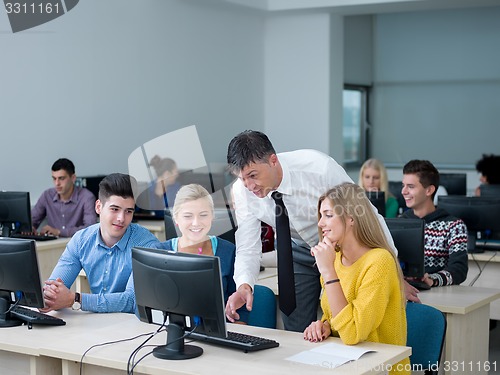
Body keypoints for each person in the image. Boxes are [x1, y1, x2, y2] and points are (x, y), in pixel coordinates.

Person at [224, 130, 398, 332]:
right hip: (296, 251)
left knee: (347, 322)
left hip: (341, 250)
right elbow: (247, 245)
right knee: (297, 328)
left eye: (253, 176)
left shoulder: (318, 168)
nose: (249, 186)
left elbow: (367, 214)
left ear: (273, 161)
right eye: (242, 178)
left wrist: (393, 268)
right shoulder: (242, 190)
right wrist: (244, 285)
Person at [303, 183, 409, 374]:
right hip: (344, 362)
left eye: (328, 215)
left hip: (379, 368)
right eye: (321, 216)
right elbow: (337, 315)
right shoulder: (334, 259)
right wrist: (325, 325)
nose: (320, 223)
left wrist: (328, 273)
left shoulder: (379, 262)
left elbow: (352, 333)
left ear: (350, 218)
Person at [41, 173, 160, 314]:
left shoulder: (147, 245)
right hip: (97, 323)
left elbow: (131, 301)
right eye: (115, 209)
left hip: (134, 327)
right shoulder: (81, 240)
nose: (121, 218)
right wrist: (49, 297)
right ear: (98, 207)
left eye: (128, 211)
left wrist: (75, 299)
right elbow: (55, 285)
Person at [155, 184, 241, 309]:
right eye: (188, 216)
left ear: (212, 216)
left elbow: (239, 305)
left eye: (203, 215)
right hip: (174, 327)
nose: (196, 223)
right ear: (176, 219)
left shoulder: (228, 251)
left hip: (219, 327)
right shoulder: (159, 252)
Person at [401, 160, 468, 288]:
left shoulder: (454, 226)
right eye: (403, 185)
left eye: (410, 186)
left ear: (429, 190)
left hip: (439, 293)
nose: (403, 191)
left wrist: (433, 279)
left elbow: (459, 269)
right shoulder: (400, 222)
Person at [31, 158, 97, 237]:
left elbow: (90, 229)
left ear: (73, 178)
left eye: (61, 178)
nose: (57, 183)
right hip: (52, 245)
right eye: (54, 178)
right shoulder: (47, 195)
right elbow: (32, 220)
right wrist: (29, 228)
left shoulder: (87, 197)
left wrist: (59, 232)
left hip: (77, 245)